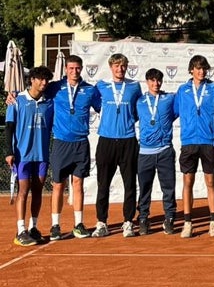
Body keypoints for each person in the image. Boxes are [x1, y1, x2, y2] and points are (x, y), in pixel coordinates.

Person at [48, 55, 102, 240]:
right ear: (65, 70)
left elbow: (105, 107)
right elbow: (35, 93)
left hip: (81, 143)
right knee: (58, 185)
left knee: (78, 184)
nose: (74, 72)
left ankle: (78, 224)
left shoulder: (90, 90)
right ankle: (55, 225)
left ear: (81, 68)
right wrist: (12, 95)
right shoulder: (55, 87)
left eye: (77, 68)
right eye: (71, 68)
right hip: (61, 142)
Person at [174, 55, 214, 239]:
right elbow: (173, 113)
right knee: (188, 183)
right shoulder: (182, 90)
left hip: (208, 142)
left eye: (204, 68)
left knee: (210, 183)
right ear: (191, 70)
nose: (201, 71)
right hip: (189, 143)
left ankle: (213, 222)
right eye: (197, 68)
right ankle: (188, 223)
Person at [92, 53, 142, 238]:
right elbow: (96, 105)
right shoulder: (101, 86)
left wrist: (125, 121)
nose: (120, 69)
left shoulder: (134, 87)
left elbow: (138, 111)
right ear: (110, 67)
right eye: (116, 66)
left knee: (130, 184)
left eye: (123, 66)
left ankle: (128, 222)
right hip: (106, 140)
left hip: (128, 139)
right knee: (103, 184)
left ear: (126, 67)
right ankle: (101, 222)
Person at [5, 66, 54, 246]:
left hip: (41, 155)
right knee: (23, 191)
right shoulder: (16, 100)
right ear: (31, 79)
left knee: (38, 190)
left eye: (46, 80)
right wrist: (9, 152)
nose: (44, 83)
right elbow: (9, 128)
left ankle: (34, 227)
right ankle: (21, 230)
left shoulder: (50, 102)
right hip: (22, 154)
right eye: (40, 79)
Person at [136, 68, 178, 236]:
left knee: (168, 187)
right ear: (147, 82)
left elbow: (175, 114)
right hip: (145, 152)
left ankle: (169, 218)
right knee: (144, 188)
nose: (156, 84)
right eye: (152, 81)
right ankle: (143, 218)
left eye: (158, 80)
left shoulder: (169, 99)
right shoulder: (139, 101)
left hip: (165, 151)